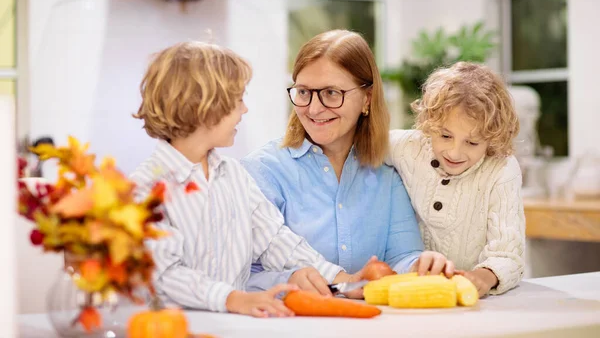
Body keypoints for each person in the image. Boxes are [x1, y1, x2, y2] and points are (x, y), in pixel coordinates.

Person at [130, 41, 356, 318]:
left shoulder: (234, 175)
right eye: (238, 99)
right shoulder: (146, 188)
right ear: (206, 106)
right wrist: (233, 299)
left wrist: (340, 278)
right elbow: (163, 274)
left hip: (234, 327)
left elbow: (274, 240)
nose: (244, 110)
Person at [242, 30, 454, 296]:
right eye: (304, 92)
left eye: (331, 93)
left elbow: (402, 256)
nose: (314, 108)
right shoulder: (262, 171)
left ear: (367, 98)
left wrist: (421, 266)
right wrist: (290, 281)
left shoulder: (387, 171)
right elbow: (240, 275)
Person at [388, 61, 525, 297]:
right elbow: (361, 143)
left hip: (470, 299)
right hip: (413, 291)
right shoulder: (410, 147)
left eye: (471, 143)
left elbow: (508, 255)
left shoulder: (501, 170)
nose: (454, 152)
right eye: (445, 135)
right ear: (430, 124)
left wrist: (485, 276)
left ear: (492, 138)